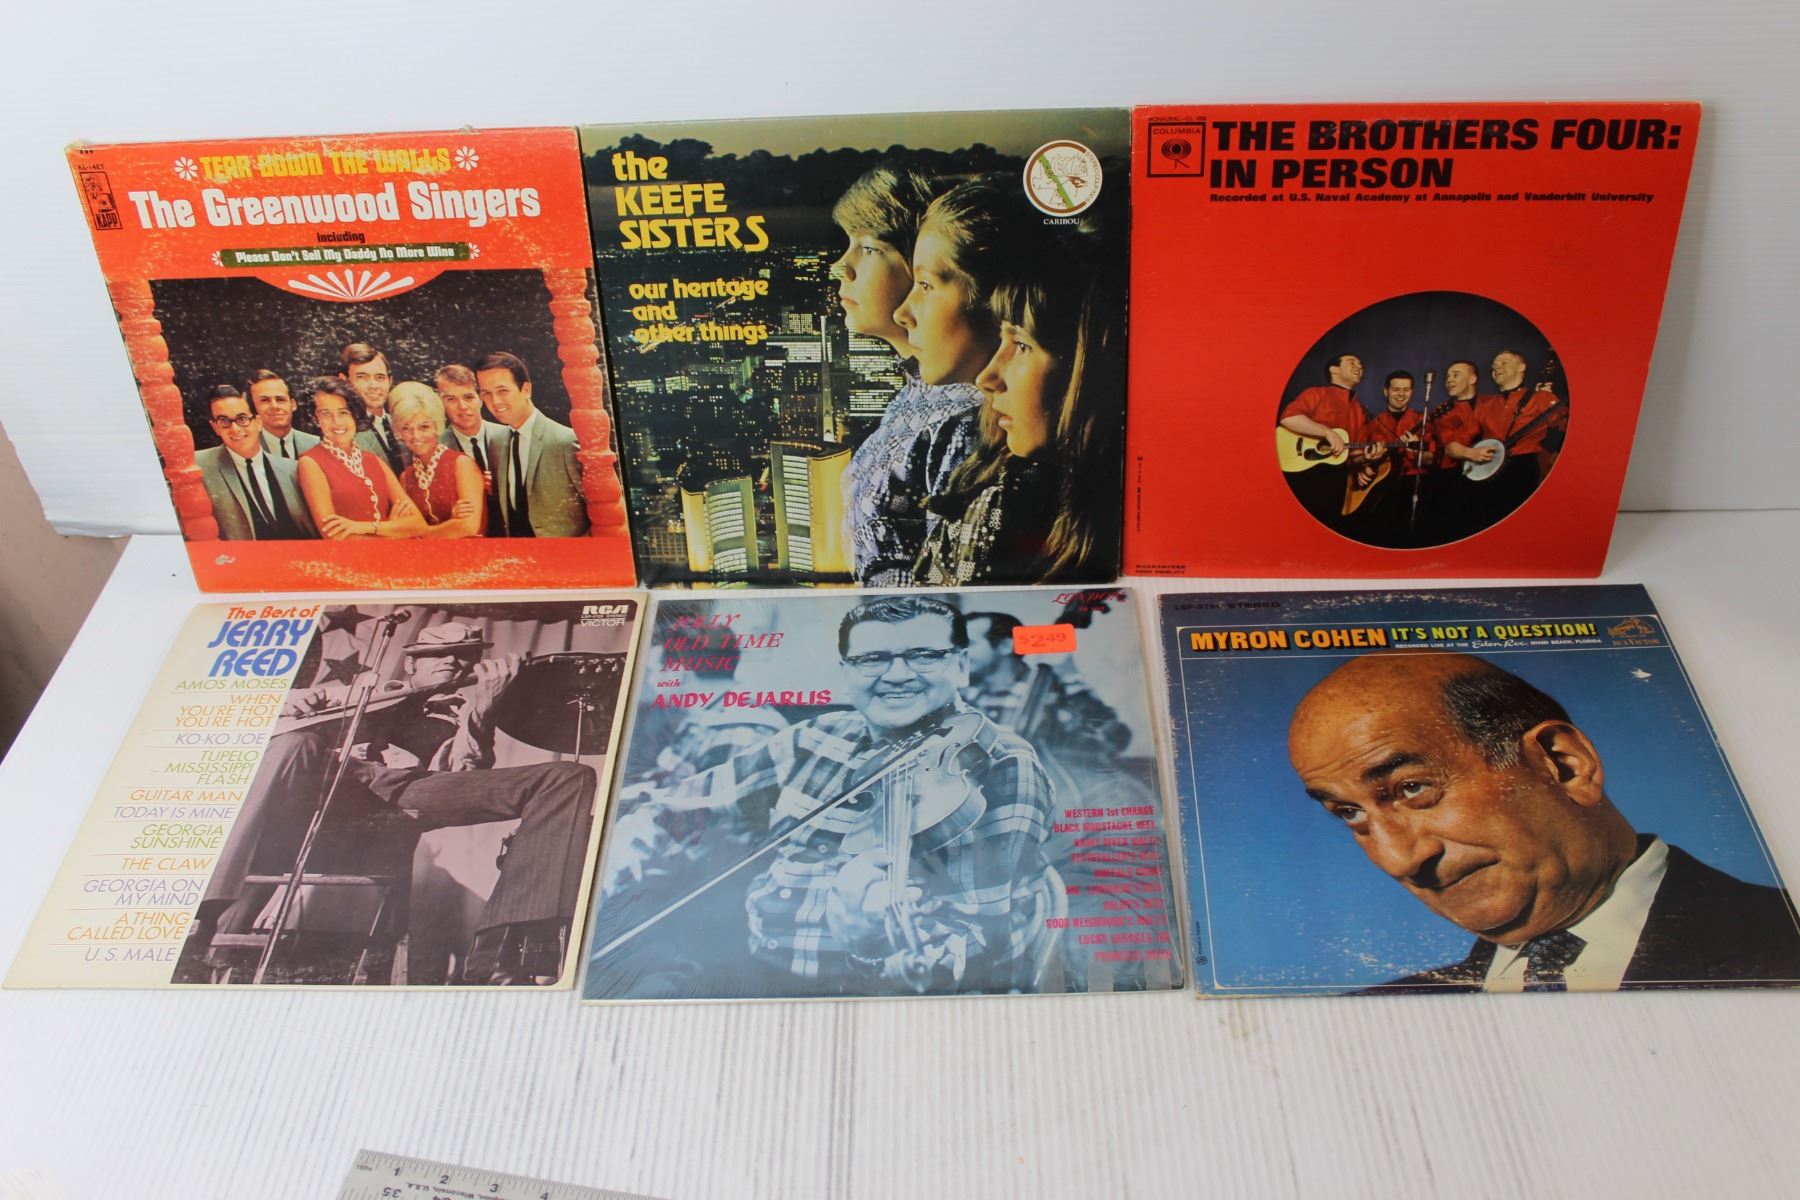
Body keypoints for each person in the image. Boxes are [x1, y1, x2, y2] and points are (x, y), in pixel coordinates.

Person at [595, 596, 1057, 996]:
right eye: (872, 659)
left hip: (862, 992)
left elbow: (978, 944)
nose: (898, 675)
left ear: (961, 666)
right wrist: (637, 826)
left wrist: (868, 946)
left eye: (923, 656)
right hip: (750, 961)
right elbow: (699, 796)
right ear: (846, 673)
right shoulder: (819, 734)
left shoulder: (999, 765)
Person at [1285, 651, 1800, 991]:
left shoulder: (1781, 938)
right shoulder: (1381, 1016)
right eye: (1350, 813)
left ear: (1564, 764)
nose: (1400, 859)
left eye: (1412, 788)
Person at [181, 619, 600, 986]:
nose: (452, 661)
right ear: (411, 663)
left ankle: (507, 955)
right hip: (327, 792)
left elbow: (461, 776)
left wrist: (484, 709)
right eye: (439, 654)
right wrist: (286, 706)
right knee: (294, 740)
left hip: (403, 795)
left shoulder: (460, 713)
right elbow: (255, 728)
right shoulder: (358, 691)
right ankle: (200, 913)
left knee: (568, 777)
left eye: (463, 656)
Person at [914, 210, 1125, 585]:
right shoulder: (1010, 493)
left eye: (1023, 346)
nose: (987, 378)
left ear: (1089, 368)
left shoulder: (1013, 501)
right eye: (1002, 341)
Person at [832, 165, 982, 585]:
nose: (841, 266)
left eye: (869, 248)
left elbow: (951, 578)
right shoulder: (915, 395)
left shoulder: (964, 418)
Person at [961, 611, 1129, 763]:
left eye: (969, 643)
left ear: (1005, 646)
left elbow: (1115, 740)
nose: (959, 652)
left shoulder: (1050, 692)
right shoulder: (966, 696)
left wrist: (1071, 680)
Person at [296, 377, 426, 540]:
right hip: (353, 556)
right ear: (315, 420)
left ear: (354, 414)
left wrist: (363, 527)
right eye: (326, 414)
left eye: (343, 413)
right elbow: (333, 535)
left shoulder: (374, 460)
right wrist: (392, 531)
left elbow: (419, 525)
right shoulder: (311, 462)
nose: (337, 422)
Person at [478, 351, 589, 538]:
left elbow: (604, 512)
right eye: (486, 394)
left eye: (503, 391)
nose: (495, 402)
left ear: (526, 390)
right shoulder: (496, 443)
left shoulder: (566, 441)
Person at [1278, 353, 1383, 535]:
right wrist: (1327, 432)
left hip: (1335, 478)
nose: (1359, 366)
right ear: (1334, 369)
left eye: (1360, 364)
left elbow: (1354, 454)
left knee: (1329, 526)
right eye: (1352, 362)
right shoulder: (1316, 393)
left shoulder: (1360, 410)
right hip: (1303, 474)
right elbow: (1289, 418)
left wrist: (1366, 459)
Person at [194, 385, 315, 540]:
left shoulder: (292, 468)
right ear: (215, 427)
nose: (235, 428)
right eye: (224, 421)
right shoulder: (199, 465)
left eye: (242, 419)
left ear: (258, 422)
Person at [1468, 349, 1566, 523]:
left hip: (1522, 468)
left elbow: (1567, 426)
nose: (1496, 368)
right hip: (1488, 470)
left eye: (1503, 363)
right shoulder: (1485, 406)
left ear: (1521, 367)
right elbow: (1458, 441)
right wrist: (1467, 452)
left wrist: (1557, 454)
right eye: (1494, 366)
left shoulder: (1542, 397)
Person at [389, 381, 485, 539]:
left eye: (424, 427)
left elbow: (468, 527)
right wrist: (450, 524)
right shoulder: (406, 478)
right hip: (426, 553)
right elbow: (402, 530)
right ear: (399, 432)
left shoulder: (462, 465)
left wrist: (418, 534)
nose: (416, 436)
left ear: (436, 426)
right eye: (406, 428)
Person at [1353, 370, 1432, 548]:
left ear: (1412, 392)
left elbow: (1430, 460)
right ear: (1386, 391)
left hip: (1414, 484)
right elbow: (1356, 456)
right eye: (1396, 389)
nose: (1401, 394)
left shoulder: (1423, 420)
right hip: (1381, 486)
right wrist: (1364, 463)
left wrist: (1415, 451)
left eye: (1406, 390)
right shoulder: (1373, 422)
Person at [435, 362, 506, 538]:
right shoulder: (436, 450)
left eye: (468, 397)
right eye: (451, 399)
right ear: (440, 404)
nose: (462, 407)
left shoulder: (509, 437)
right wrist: (450, 515)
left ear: (480, 398)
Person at [340, 342, 408, 474]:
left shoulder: (403, 424)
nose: (373, 386)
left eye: (380, 377)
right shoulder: (344, 432)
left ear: (390, 380)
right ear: (345, 381)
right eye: (362, 377)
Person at [245, 369, 319, 460]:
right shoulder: (245, 449)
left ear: (293, 404)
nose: (274, 406)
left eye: (280, 399)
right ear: (252, 408)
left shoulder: (316, 445)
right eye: (265, 400)